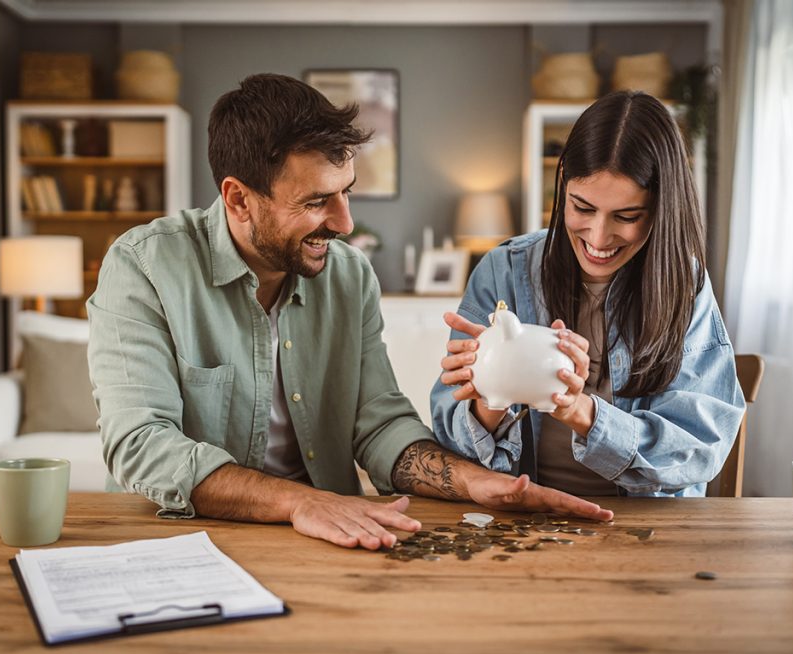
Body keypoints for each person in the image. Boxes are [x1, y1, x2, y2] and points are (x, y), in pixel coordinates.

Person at [87, 73, 613, 553]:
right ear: (239, 198)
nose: (344, 222)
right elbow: (140, 444)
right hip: (178, 542)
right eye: (317, 201)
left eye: (347, 193)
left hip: (332, 539)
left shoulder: (348, 275)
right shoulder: (143, 267)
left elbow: (379, 423)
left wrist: (473, 481)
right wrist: (299, 501)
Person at [433, 91, 745, 497]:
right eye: (581, 208)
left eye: (627, 216)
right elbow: (449, 447)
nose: (598, 238)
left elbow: (700, 448)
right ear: (562, 191)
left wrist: (581, 411)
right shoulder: (503, 271)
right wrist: (489, 397)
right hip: (527, 517)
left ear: (662, 210)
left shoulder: (684, 286)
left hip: (649, 528)